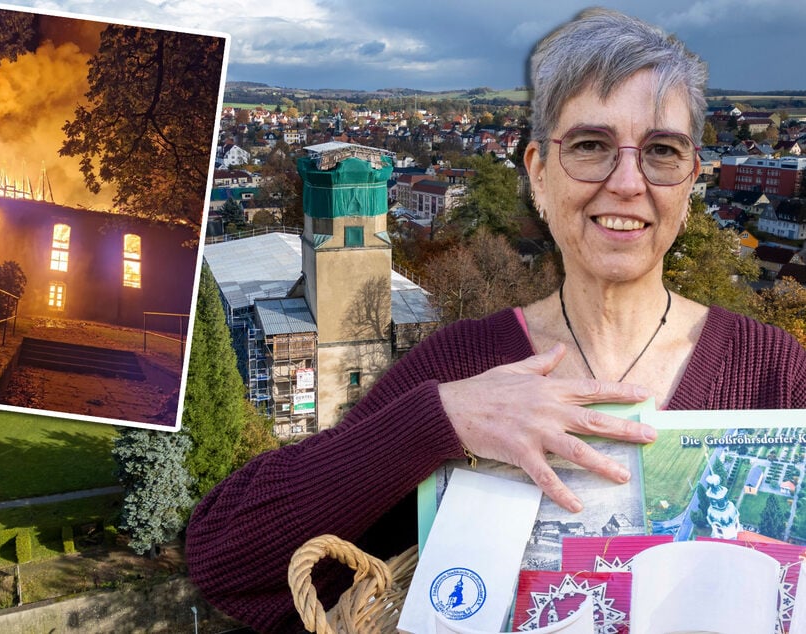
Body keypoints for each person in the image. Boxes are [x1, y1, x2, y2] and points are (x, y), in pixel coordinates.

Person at [185, 9, 806, 633]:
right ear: (538, 172)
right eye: (590, 146)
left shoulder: (778, 375)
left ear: (692, 177)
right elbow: (227, 560)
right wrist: (441, 421)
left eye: (662, 151)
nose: (626, 182)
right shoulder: (461, 367)